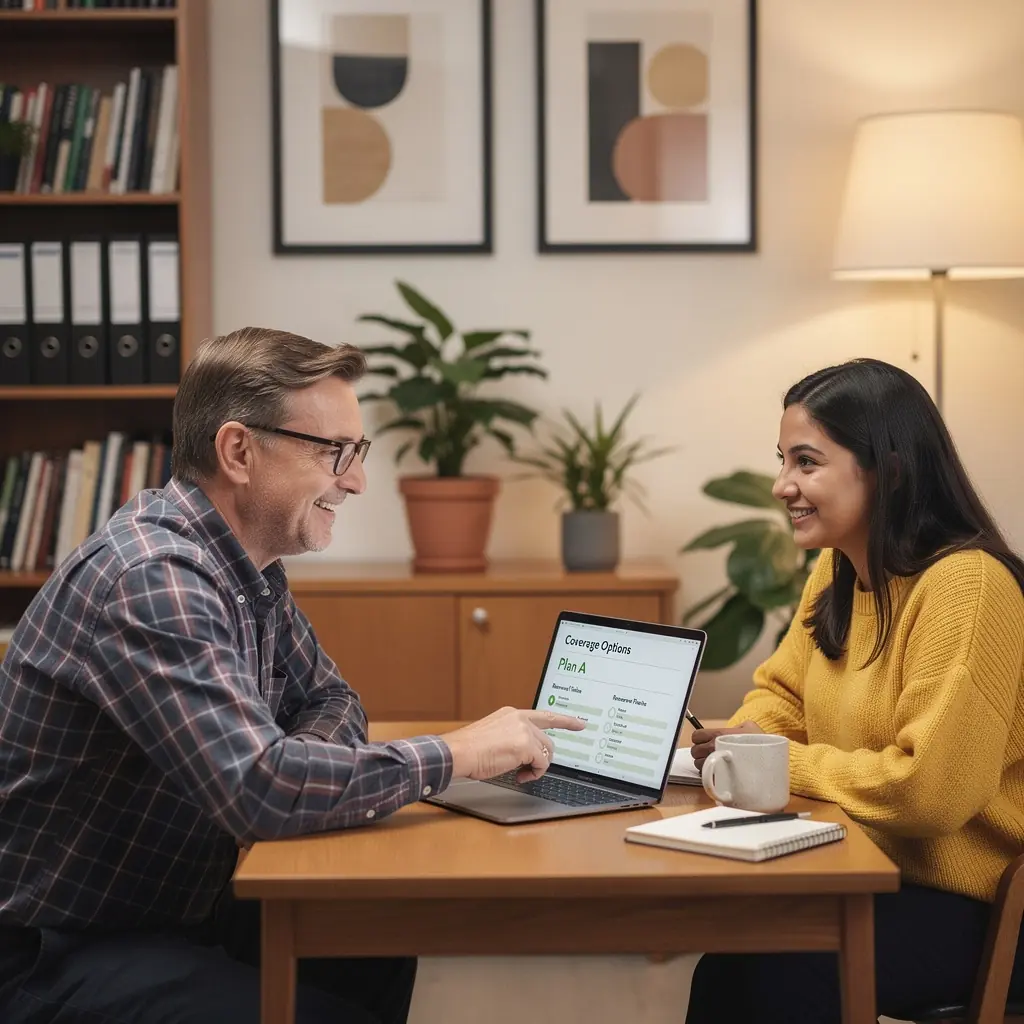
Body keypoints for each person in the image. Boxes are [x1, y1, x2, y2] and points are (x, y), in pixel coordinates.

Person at [0, 327, 583, 1024]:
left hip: (182, 905)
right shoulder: (153, 579)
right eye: (333, 451)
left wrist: (291, 766)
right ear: (239, 451)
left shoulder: (247, 569)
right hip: (60, 953)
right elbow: (259, 790)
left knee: (376, 934)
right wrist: (457, 753)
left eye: (356, 452)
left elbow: (334, 700)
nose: (358, 479)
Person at [685, 358, 1024, 1023]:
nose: (783, 485)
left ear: (889, 469)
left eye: (807, 463)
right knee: (728, 966)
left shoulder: (967, 587)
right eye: (783, 460)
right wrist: (754, 744)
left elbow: (930, 792)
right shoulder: (837, 570)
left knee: (771, 980)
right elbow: (776, 698)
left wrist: (775, 761)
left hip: (980, 902)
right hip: (868, 866)